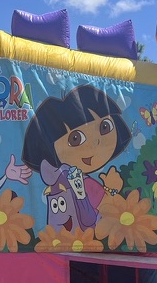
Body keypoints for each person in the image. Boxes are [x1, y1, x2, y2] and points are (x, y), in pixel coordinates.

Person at [21, 84, 132, 212]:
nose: (94, 143)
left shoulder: (71, 182)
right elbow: (106, 210)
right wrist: (112, 189)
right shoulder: (84, 184)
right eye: (76, 139)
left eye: (104, 127)